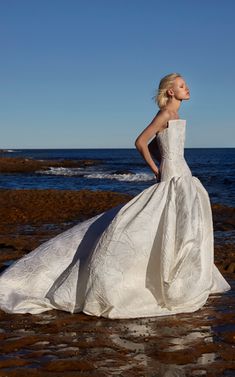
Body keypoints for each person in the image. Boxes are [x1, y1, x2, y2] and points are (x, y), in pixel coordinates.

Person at [0, 73, 231, 319]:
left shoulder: (176, 117)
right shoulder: (164, 114)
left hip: (183, 173)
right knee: (148, 222)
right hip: (171, 174)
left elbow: (156, 145)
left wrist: (163, 156)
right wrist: (156, 168)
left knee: (181, 225)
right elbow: (141, 142)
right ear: (171, 92)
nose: (188, 88)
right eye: (182, 86)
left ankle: (180, 275)